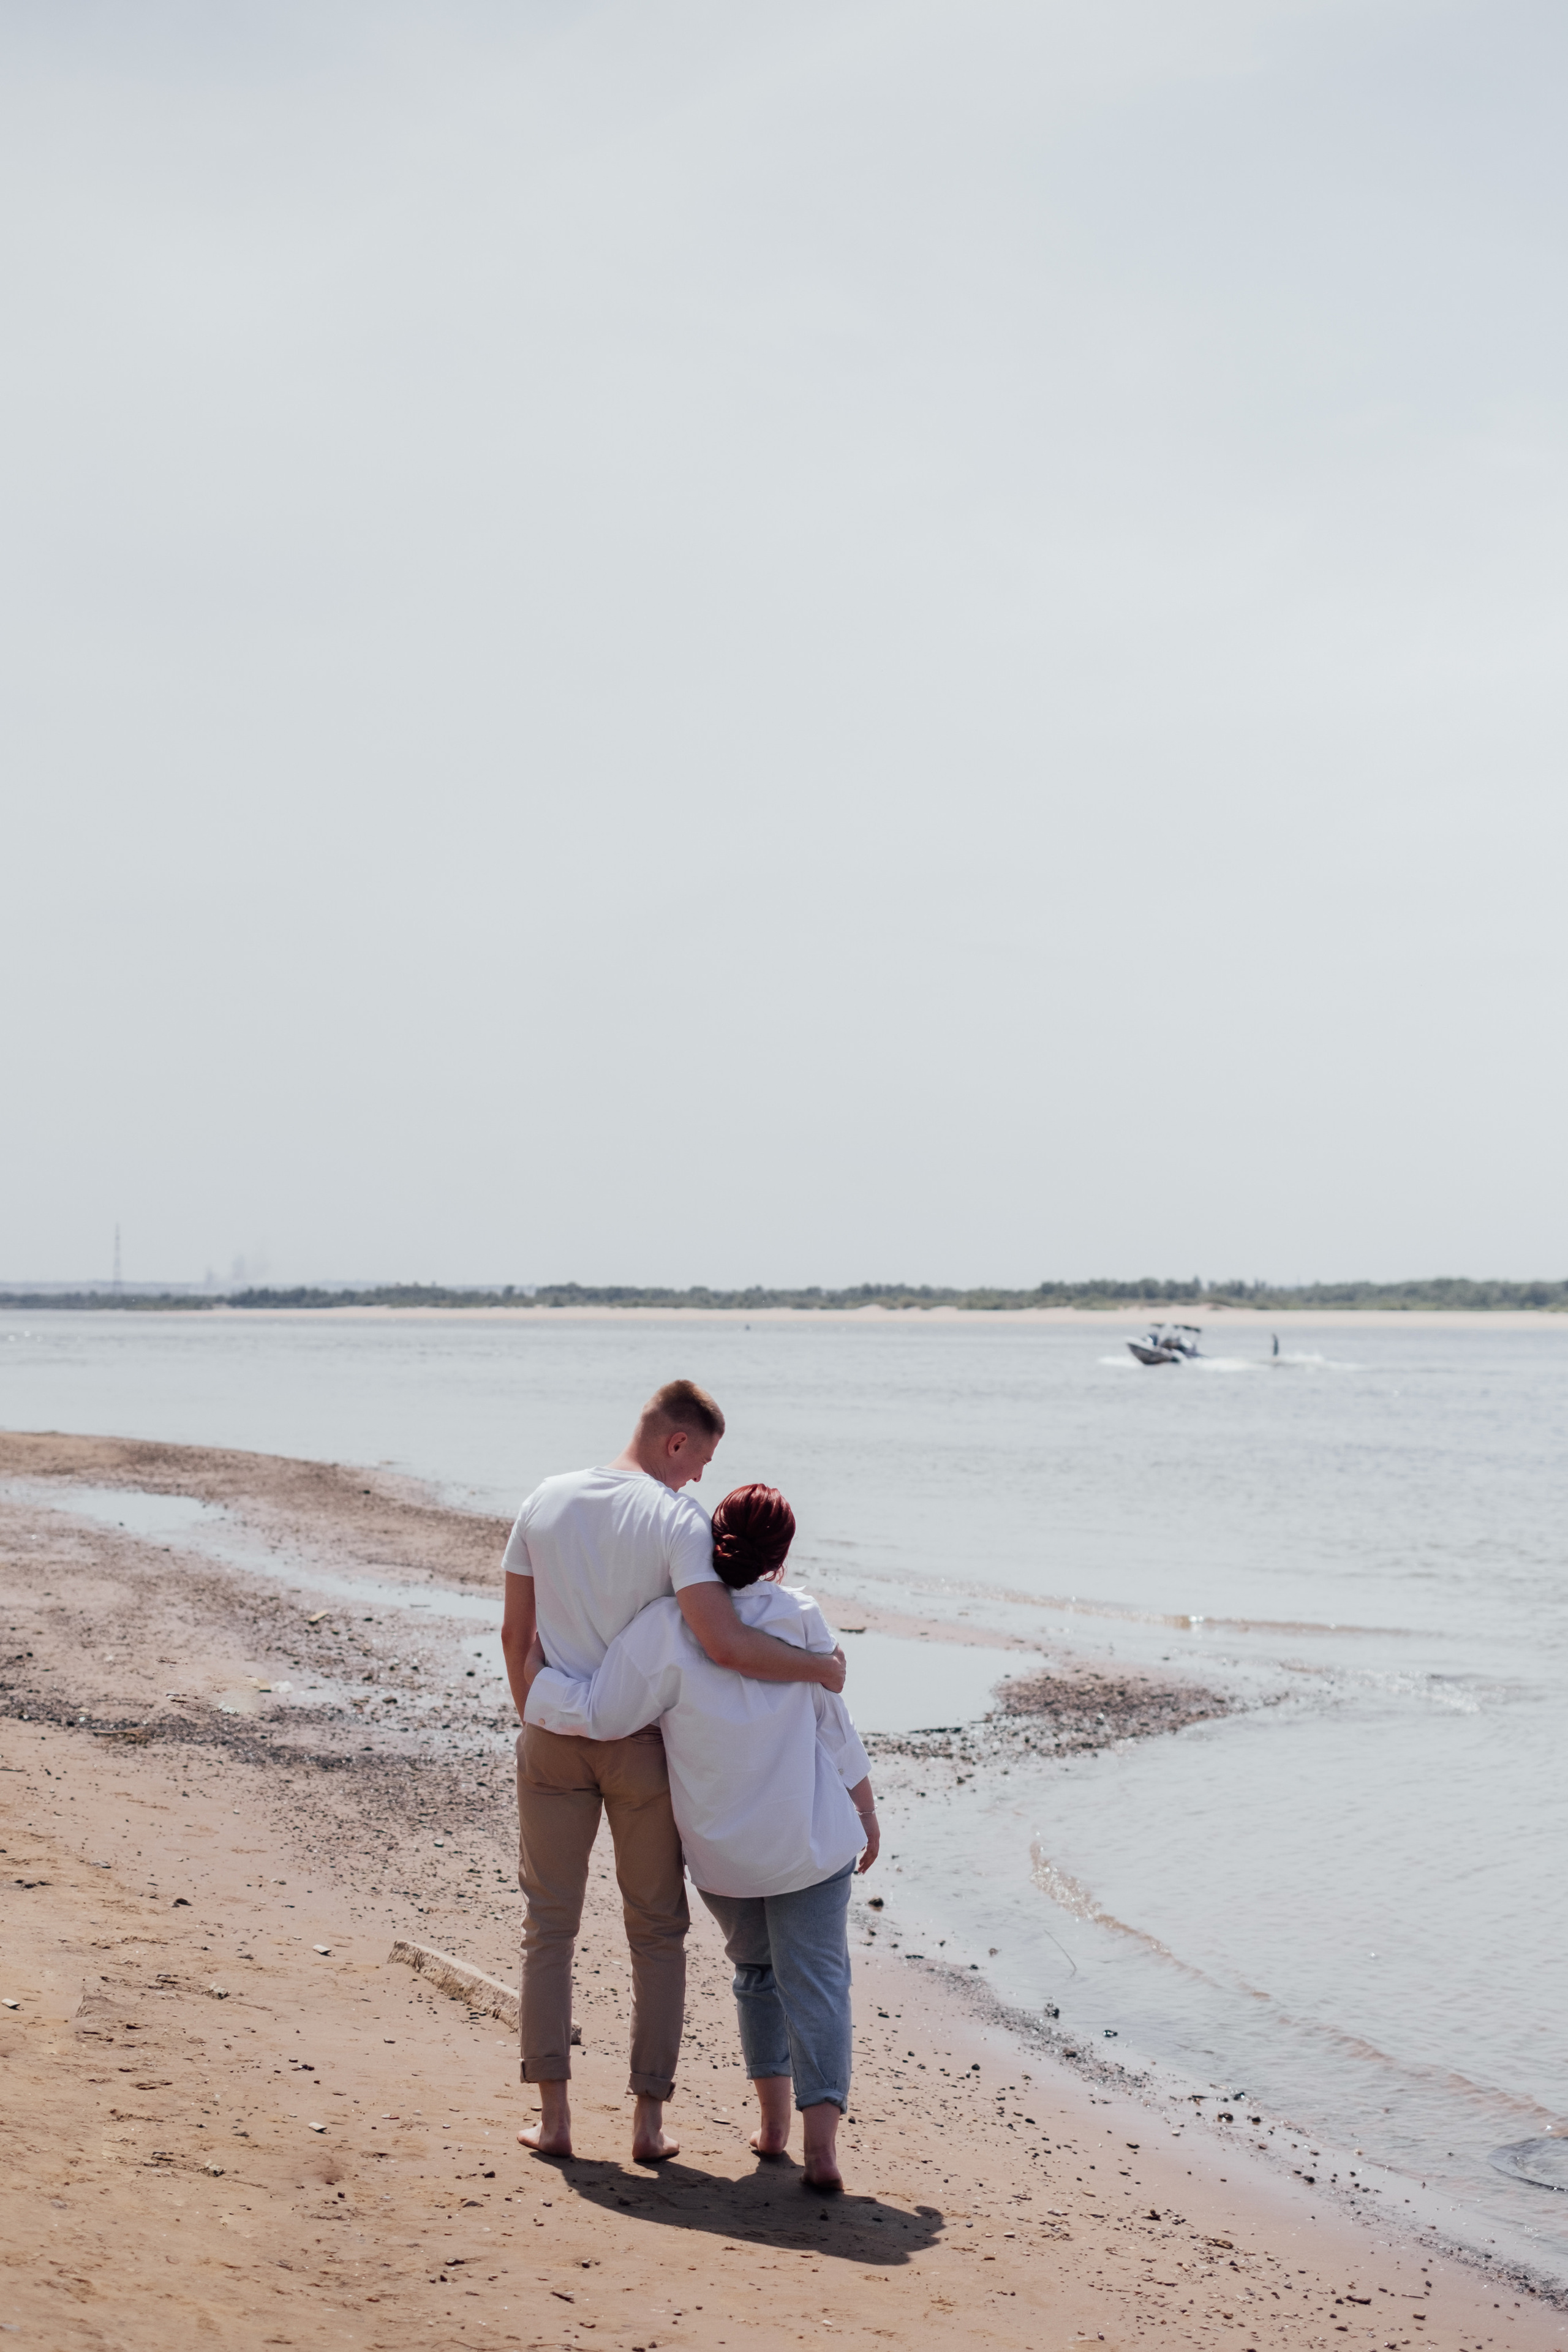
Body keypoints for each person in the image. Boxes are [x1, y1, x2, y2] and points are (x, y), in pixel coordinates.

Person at [499, 1381, 848, 2166]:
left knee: (547, 1927)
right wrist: (820, 1669)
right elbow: (721, 1643)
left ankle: (553, 2120)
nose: (698, 1481)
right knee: (656, 1934)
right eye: (702, 1462)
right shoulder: (675, 1519)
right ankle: (648, 2127)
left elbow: (514, 1634)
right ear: (677, 1442)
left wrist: (542, 1713)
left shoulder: (543, 1501)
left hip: (551, 1733)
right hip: (639, 1748)